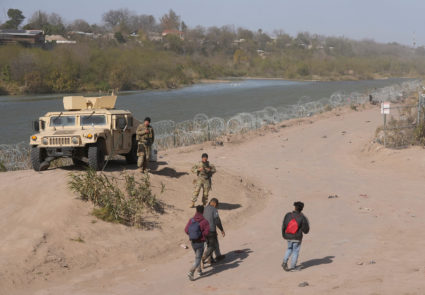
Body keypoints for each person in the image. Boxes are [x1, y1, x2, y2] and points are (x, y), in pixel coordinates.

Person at [281, 201, 310, 272]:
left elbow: (283, 225)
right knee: (295, 251)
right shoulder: (302, 217)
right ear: (302, 208)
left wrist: (284, 235)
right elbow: (305, 230)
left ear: (295, 207)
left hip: (288, 235)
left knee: (289, 249)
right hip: (297, 237)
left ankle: (284, 262)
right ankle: (293, 267)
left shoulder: (288, 215)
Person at [184, 205, 210, 281]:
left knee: (197, 256)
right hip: (200, 242)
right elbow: (207, 232)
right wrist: (201, 235)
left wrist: (193, 234)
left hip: (193, 242)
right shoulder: (205, 221)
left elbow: (186, 230)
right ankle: (191, 271)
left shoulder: (191, 220)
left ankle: (199, 271)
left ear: (196, 211)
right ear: (203, 211)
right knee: (198, 258)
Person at [202, 198, 226, 265]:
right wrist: (222, 230)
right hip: (211, 230)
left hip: (203, 230)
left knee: (210, 244)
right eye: (217, 205)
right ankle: (205, 257)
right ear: (214, 203)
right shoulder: (214, 209)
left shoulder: (204, 209)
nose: (216, 206)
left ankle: (212, 258)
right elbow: (217, 221)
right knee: (212, 245)